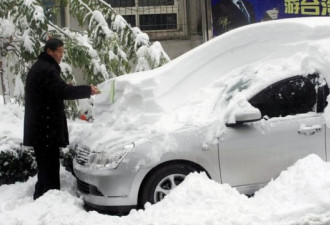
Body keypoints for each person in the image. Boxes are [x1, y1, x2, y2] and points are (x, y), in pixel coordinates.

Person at [23, 38, 100, 200]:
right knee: (49, 168)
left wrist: (66, 88)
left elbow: (52, 91)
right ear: (49, 51)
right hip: (45, 128)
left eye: (63, 52)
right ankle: (50, 200)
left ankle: (41, 198)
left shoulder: (43, 67)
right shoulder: (45, 69)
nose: (61, 55)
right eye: (59, 51)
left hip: (42, 128)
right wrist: (87, 90)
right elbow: (61, 91)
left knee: (46, 167)